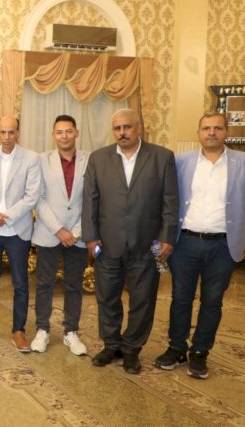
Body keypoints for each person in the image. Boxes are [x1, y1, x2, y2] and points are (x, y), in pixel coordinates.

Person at [82, 108, 178, 374]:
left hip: (147, 244)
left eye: (127, 127)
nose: (122, 133)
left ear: (139, 128)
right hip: (107, 243)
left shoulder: (162, 157)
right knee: (106, 297)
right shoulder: (98, 158)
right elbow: (90, 201)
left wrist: (167, 237)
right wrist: (91, 237)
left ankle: (132, 349)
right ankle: (111, 345)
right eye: (117, 128)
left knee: (143, 300)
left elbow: (170, 201)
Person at [154, 112, 245, 379]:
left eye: (217, 128)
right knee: (180, 298)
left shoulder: (241, 163)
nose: (211, 133)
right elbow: (167, 200)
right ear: (199, 132)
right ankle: (177, 347)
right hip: (185, 244)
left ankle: (200, 352)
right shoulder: (181, 161)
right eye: (206, 128)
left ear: (226, 132)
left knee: (212, 302)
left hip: (223, 247)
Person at [0, 116, 41, 351]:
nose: (6, 137)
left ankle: (18, 331)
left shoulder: (31, 158)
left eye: (11, 132)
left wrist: (6, 216)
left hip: (17, 230)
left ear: (18, 133)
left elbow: (31, 196)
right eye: (2, 132)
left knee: (20, 283)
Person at [30, 115, 89, 355]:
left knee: (74, 285)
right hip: (49, 232)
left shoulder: (90, 160)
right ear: (53, 135)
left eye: (68, 131)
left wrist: (75, 231)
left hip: (78, 235)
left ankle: (71, 332)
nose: (64, 136)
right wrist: (59, 230)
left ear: (76, 133)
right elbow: (38, 198)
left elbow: (91, 199)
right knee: (44, 284)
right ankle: (42, 330)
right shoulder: (41, 160)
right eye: (59, 132)